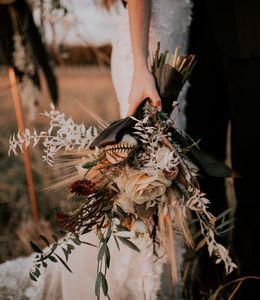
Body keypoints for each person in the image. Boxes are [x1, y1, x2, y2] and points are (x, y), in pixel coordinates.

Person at [0, 1, 193, 299]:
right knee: (146, 176)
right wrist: (141, 67)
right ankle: (139, 284)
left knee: (147, 178)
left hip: (161, 50)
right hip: (150, 56)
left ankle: (148, 278)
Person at [186, 1, 260, 299]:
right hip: (192, 31)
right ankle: (209, 270)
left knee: (256, 166)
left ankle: (254, 282)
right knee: (197, 163)